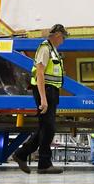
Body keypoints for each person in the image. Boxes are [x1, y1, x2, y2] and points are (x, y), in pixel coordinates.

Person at [13, 24, 66, 175]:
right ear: (57, 35)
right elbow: (40, 73)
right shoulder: (45, 48)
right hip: (45, 91)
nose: (63, 40)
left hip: (52, 91)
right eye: (63, 37)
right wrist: (43, 99)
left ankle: (22, 154)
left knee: (45, 128)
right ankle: (43, 163)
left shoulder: (53, 50)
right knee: (48, 128)